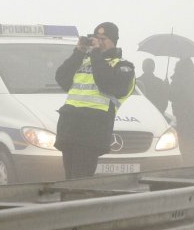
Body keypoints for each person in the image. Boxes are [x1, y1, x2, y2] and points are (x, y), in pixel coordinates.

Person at [54, 22, 136, 179]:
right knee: (69, 180)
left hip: (91, 131)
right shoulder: (85, 60)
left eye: (103, 39)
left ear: (114, 41)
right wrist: (79, 51)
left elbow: (106, 83)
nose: (99, 42)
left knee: (80, 180)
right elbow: (61, 78)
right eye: (96, 38)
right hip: (70, 127)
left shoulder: (123, 66)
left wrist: (95, 54)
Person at [169, 58, 194, 165]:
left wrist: (167, 85)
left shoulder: (178, 80)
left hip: (181, 115)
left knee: (182, 139)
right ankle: (191, 161)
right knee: (191, 138)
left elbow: (171, 96)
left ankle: (184, 162)